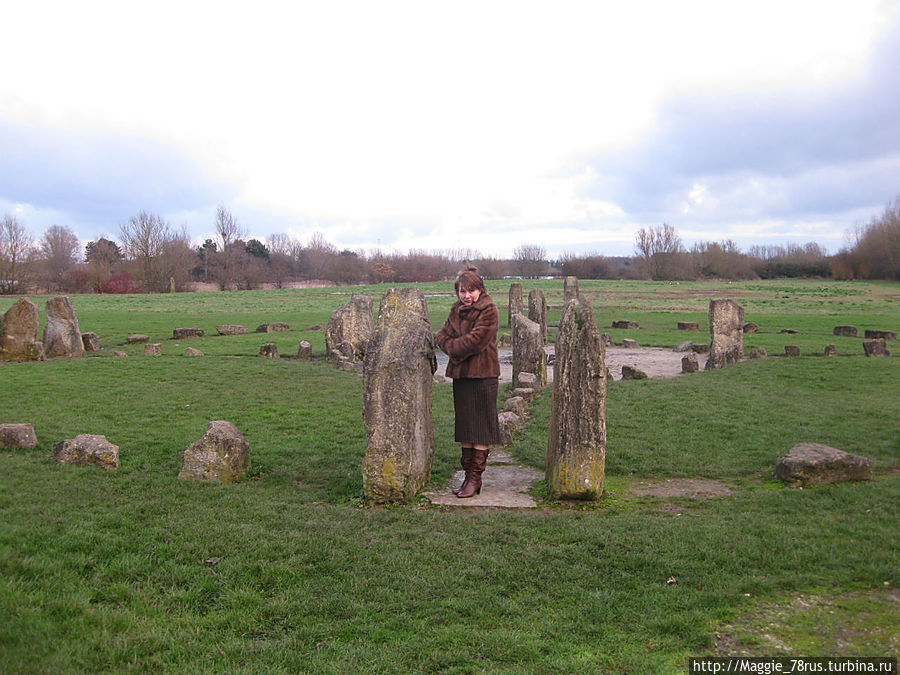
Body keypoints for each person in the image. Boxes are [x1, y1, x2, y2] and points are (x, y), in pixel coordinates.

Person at [436, 264, 501, 498]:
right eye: (462, 291)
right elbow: (441, 335)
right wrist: (453, 346)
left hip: (483, 375)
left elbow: (476, 341)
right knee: (465, 427)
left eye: (471, 291)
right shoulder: (455, 310)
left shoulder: (489, 309)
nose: (467, 296)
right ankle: (467, 477)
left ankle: (475, 478)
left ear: (480, 290)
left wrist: (453, 348)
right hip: (462, 376)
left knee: (481, 428)